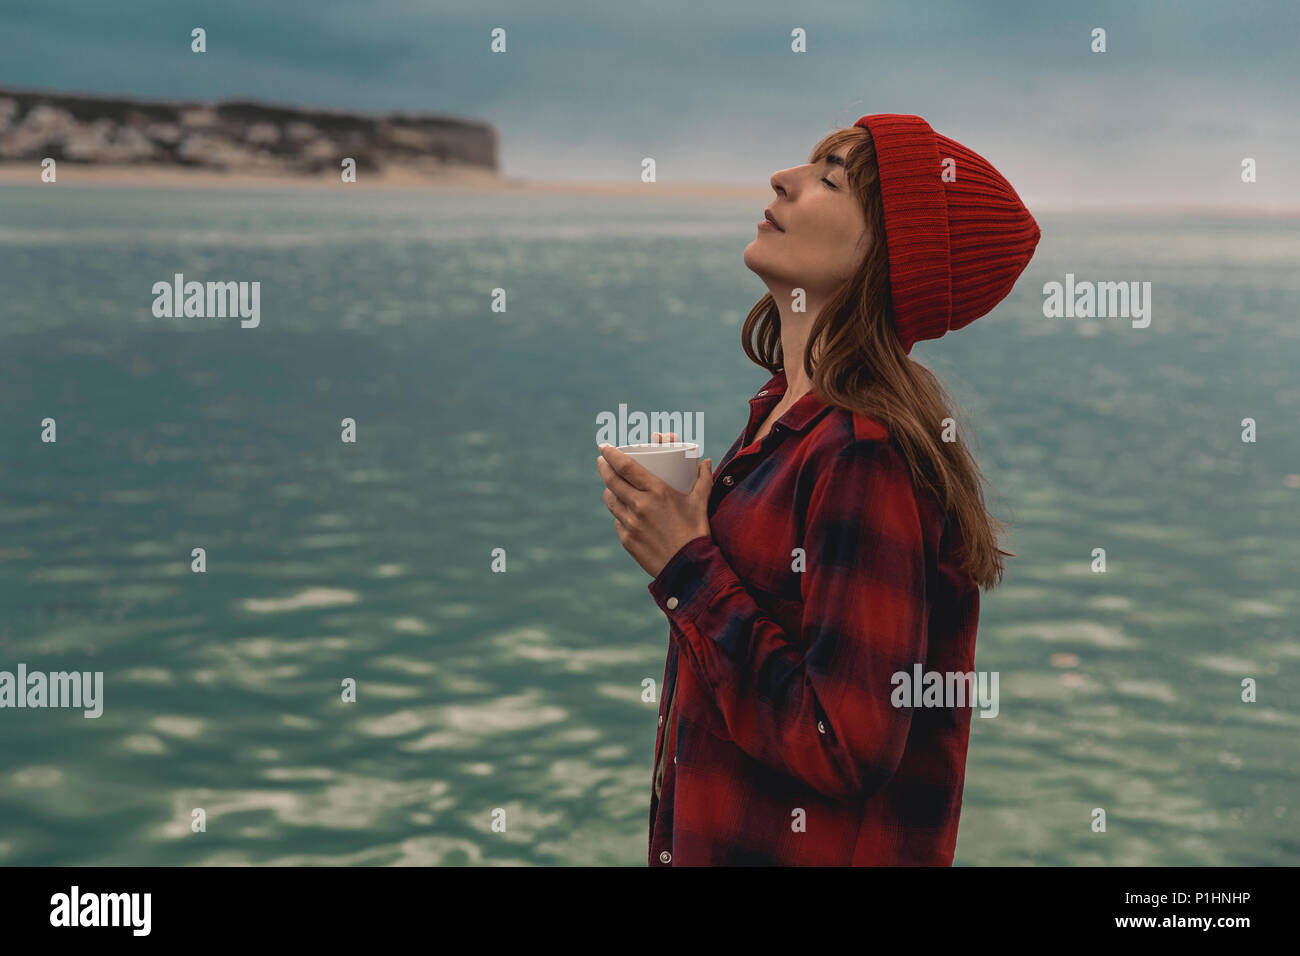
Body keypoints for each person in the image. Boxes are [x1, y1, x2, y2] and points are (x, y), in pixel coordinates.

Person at [596, 114, 1040, 865]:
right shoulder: (780, 421)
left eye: (830, 179)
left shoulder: (863, 454)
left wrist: (685, 566)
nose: (783, 179)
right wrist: (696, 535)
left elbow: (845, 747)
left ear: (889, 256)